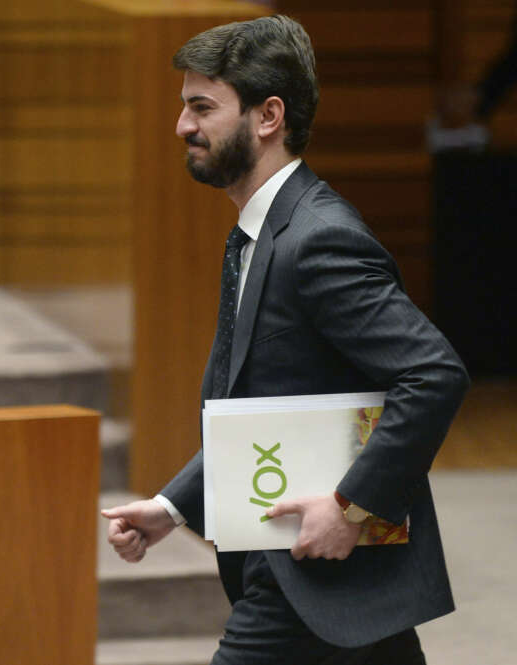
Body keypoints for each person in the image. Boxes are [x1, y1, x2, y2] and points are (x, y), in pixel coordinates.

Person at [102, 15, 468, 665]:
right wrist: (172, 505)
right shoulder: (259, 232)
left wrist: (350, 505)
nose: (183, 126)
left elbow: (434, 373)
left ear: (267, 116)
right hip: (330, 581)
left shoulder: (317, 238)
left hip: (304, 570)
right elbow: (262, 404)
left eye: (201, 107)